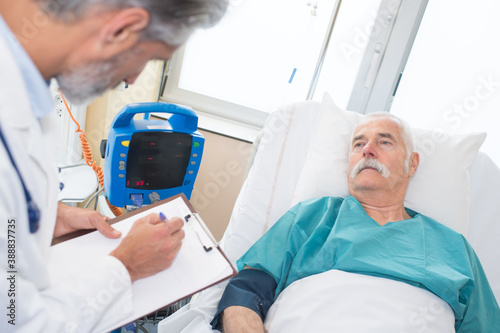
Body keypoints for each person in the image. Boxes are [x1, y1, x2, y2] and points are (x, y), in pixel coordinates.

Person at [0, 0, 228, 331]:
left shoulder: (30, 91)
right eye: (149, 56)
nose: (132, 79)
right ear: (122, 28)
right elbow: (15, 320)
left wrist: (46, 213)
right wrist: (126, 266)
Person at [211, 113, 500, 332]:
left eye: (384, 141)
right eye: (358, 143)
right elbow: (247, 291)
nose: (367, 149)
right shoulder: (312, 217)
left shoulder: (453, 246)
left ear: (412, 164)